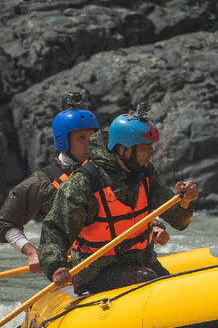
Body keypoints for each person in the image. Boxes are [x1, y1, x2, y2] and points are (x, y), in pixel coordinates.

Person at [0, 104, 171, 272]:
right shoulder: (43, 182)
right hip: (79, 269)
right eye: (81, 138)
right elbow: (7, 222)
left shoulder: (111, 170)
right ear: (63, 140)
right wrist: (32, 252)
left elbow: (124, 210)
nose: (89, 143)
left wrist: (154, 226)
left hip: (126, 261)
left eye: (92, 136)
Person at [39, 110, 199, 295]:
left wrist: (186, 201)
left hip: (142, 260)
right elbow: (55, 230)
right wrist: (56, 267)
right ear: (124, 149)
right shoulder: (83, 183)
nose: (152, 153)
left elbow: (178, 221)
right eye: (145, 147)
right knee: (144, 278)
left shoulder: (146, 173)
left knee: (171, 287)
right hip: (97, 272)